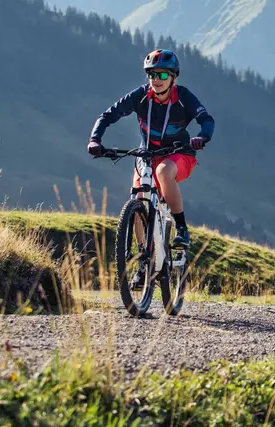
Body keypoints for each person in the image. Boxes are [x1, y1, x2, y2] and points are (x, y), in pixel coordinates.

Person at [87, 49, 214, 285]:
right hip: (147, 154)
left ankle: (182, 229)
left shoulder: (184, 97)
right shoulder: (141, 96)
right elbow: (108, 115)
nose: (156, 80)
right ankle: (144, 260)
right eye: (152, 75)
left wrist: (202, 137)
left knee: (163, 173)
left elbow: (207, 120)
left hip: (179, 154)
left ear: (173, 77)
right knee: (137, 198)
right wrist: (95, 139)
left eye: (162, 75)